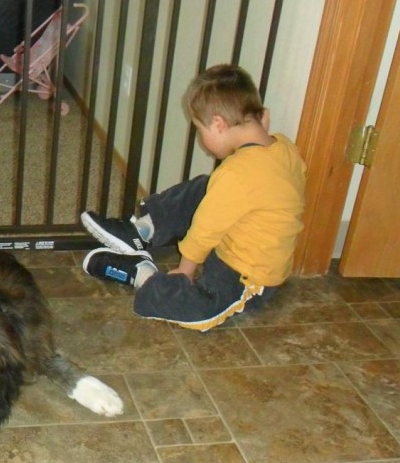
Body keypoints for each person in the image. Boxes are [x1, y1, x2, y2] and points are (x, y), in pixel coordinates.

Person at [80, 64, 306, 331]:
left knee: (201, 314)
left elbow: (204, 231)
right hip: (235, 242)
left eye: (200, 129)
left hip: (246, 278)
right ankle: (140, 231)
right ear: (260, 117)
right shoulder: (283, 147)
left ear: (219, 124)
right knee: (207, 188)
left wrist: (186, 270)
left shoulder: (236, 174)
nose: (201, 137)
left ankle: (142, 275)